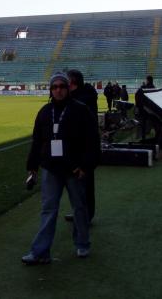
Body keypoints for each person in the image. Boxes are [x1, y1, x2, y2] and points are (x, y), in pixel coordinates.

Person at [22, 73, 101, 264]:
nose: (58, 90)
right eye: (55, 87)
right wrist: (32, 167)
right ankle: (41, 251)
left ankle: (82, 244)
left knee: (80, 208)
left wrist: (85, 166)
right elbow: (37, 142)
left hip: (74, 169)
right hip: (51, 168)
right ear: (51, 90)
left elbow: (92, 142)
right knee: (48, 209)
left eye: (62, 86)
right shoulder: (44, 112)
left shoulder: (80, 111)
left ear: (68, 88)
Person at [64, 69, 100, 225]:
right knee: (78, 186)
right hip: (76, 148)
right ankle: (80, 213)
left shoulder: (82, 99)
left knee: (85, 184)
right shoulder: (82, 96)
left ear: (72, 82)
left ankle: (86, 216)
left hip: (84, 149)